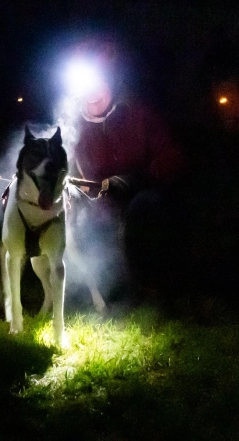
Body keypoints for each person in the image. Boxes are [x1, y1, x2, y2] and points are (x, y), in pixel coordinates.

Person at [64, 37, 190, 307]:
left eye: (98, 80)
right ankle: (104, 289)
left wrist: (139, 178)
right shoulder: (72, 125)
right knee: (85, 221)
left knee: (144, 209)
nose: (93, 91)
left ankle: (155, 286)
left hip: (142, 197)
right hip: (98, 203)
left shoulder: (137, 114)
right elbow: (62, 167)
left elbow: (172, 157)